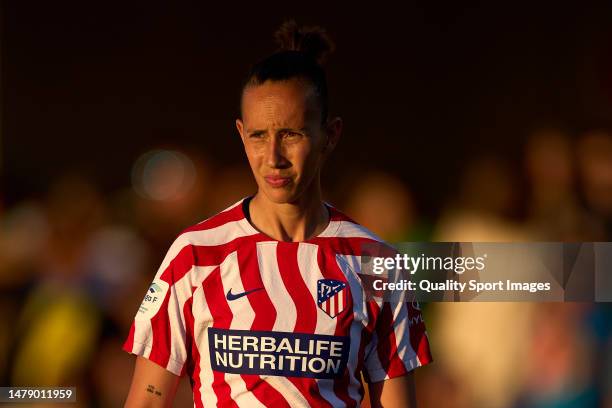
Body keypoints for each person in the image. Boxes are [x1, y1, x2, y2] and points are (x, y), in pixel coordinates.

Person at [123, 20, 432, 407]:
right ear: (240, 133)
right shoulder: (195, 255)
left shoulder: (375, 263)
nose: (273, 158)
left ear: (330, 135)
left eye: (291, 134)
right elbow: (147, 400)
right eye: (258, 136)